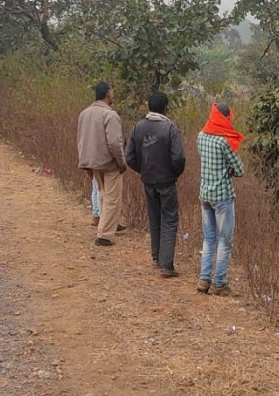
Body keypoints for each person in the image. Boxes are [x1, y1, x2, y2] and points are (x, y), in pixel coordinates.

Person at [126, 92, 186, 278]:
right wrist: (173, 173)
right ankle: (166, 264)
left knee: (154, 217)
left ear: (149, 107)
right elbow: (179, 158)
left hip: (149, 181)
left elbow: (129, 157)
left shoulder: (138, 127)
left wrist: (143, 170)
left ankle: (156, 257)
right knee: (169, 219)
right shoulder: (170, 128)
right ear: (165, 107)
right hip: (166, 181)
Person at [196, 102, 244, 295]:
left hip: (205, 194)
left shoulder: (201, 136)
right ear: (225, 118)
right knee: (225, 240)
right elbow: (240, 169)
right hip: (222, 197)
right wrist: (229, 170)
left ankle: (204, 280)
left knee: (209, 239)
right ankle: (220, 283)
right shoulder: (223, 141)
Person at [77, 81, 127, 247]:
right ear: (107, 94)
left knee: (103, 193)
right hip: (109, 162)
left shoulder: (84, 113)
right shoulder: (110, 115)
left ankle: (110, 224)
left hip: (92, 162)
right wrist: (121, 162)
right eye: (112, 93)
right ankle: (104, 235)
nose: (113, 96)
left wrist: (85, 164)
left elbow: (80, 140)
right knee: (113, 198)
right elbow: (114, 142)